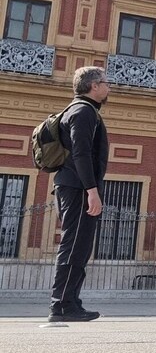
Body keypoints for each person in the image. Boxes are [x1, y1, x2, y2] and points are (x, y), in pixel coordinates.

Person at [49, 66, 110, 322]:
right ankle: (61, 305)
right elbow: (81, 153)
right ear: (93, 85)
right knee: (73, 245)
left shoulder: (82, 110)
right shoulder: (83, 111)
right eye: (105, 82)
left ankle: (71, 301)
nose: (109, 87)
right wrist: (92, 191)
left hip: (75, 185)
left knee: (80, 246)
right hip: (77, 187)